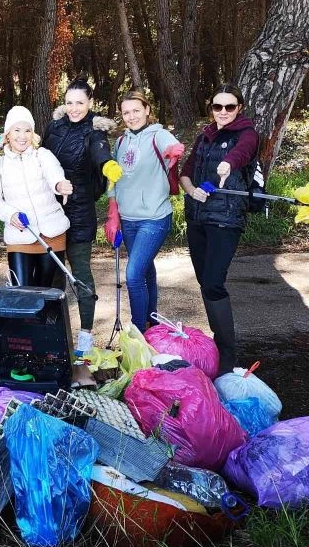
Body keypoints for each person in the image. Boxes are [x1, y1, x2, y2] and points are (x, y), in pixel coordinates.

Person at [179, 83, 259, 374]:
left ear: (239, 108)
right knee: (205, 282)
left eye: (229, 107)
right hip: (198, 217)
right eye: (217, 107)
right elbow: (186, 174)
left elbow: (242, 153)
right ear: (211, 108)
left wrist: (227, 164)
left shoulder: (247, 133)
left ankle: (228, 353)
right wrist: (191, 190)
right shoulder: (205, 136)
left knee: (213, 282)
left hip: (226, 219)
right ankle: (218, 340)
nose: (223, 112)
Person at [42, 78, 122, 355]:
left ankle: (86, 335)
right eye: (69, 102)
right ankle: (53, 334)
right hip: (50, 212)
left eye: (80, 102)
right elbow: (40, 157)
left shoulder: (94, 132)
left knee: (80, 275)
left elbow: (100, 153)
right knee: (53, 275)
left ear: (90, 103)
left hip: (79, 212)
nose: (74, 108)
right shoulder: (54, 127)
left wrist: (108, 164)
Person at [104, 90, 184, 332]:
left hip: (154, 218)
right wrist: (113, 212)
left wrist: (174, 150)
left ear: (147, 110)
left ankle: (138, 330)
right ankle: (153, 324)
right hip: (128, 219)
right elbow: (113, 180)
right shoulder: (120, 142)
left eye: (136, 110)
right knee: (146, 270)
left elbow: (170, 145)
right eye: (126, 112)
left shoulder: (158, 135)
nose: (131, 116)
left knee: (134, 274)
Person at [0, 106, 72, 286]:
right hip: (20, 237)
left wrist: (59, 185)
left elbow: (54, 174)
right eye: (17, 130)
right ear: (7, 134)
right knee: (22, 293)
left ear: (33, 134)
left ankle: (49, 316)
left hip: (52, 235)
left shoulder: (43, 155)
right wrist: (10, 215)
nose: (22, 136)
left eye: (27, 130)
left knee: (47, 292)